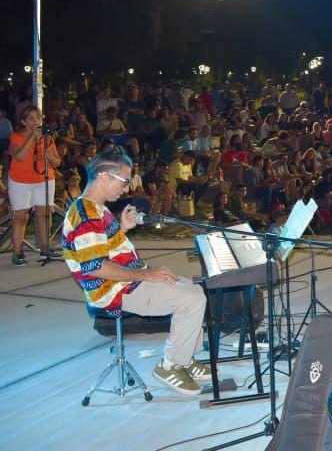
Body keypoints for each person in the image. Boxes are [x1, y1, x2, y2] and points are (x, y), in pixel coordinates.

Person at [61, 150, 210, 396]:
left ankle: (183, 359)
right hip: (114, 290)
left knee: (196, 290)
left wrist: (121, 228)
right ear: (104, 177)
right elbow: (97, 267)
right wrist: (145, 275)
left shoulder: (96, 208)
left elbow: (101, 246)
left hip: (128, 279)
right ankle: (170, 366)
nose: (126, 188)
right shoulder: (85, 213)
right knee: (192, 299)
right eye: (124, 180)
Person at [7, 106, 62, 266]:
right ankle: (17, 252)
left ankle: (46, 247)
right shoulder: (16, 137)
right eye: (31, 118)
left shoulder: (48, 138)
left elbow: (57, 162)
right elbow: (19, 156)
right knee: (21, 216)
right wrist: (32, 137)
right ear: (23, 121)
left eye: (38, 117)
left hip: (44, 180)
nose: (36, 121)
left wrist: (50, 156)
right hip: (20, 181)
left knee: (44, 214)